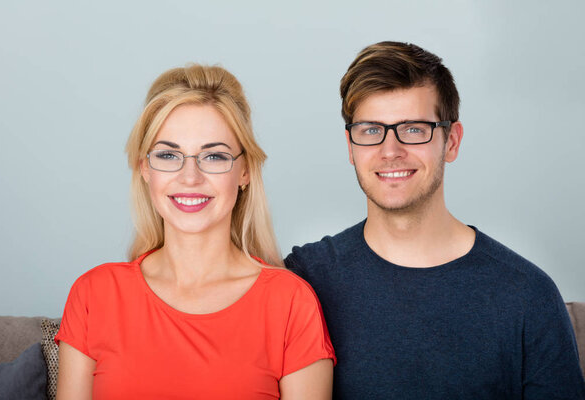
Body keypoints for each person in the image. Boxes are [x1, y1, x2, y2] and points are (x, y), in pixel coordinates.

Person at [284, 41, 585, 399]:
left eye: (413, 129)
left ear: (452, 141)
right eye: (370, 130)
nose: (390, 151)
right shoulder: (304, 281)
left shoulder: (527, 296)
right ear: (350, 147)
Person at [55, 64, 335, 400]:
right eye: (169, 155)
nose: (190, 176)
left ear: (244, 171)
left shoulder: (291, 303)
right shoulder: (93, 296)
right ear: (145, 169)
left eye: (214, 156)